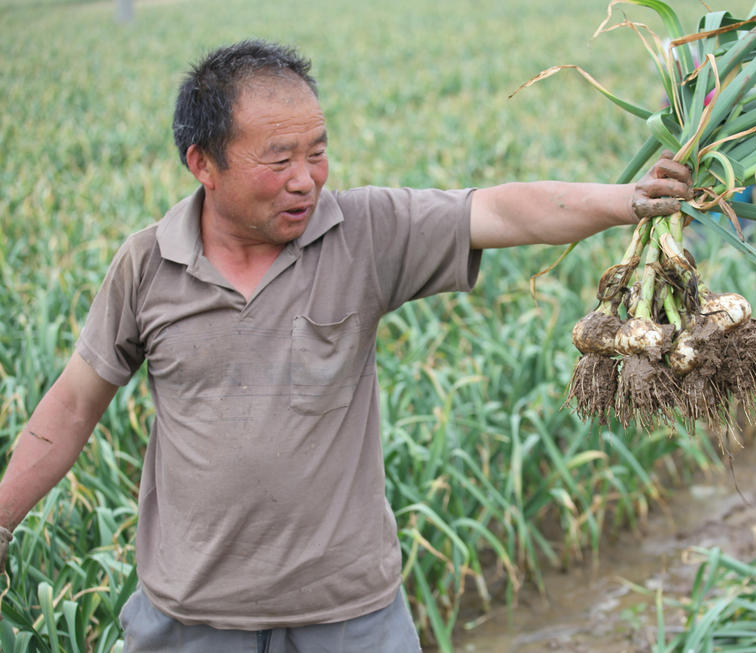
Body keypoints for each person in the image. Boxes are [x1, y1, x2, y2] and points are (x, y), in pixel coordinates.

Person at [0, 40, 692, 652]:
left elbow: (501, 209)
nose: (306, 178)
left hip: (349, 614)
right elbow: (71, 405)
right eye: (279, 159)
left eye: (318, 151)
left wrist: (628, 198)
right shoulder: (148, 264)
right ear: (202, 164)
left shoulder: (364, 232)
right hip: (192, 618)